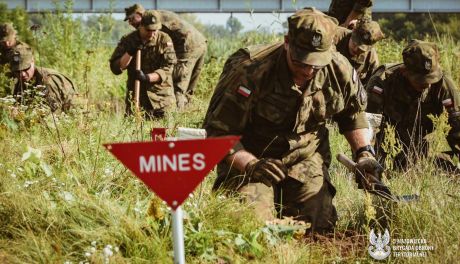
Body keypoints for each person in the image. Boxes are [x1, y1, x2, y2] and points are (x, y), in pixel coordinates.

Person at [203, 7, 382, 233]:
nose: (308, 71)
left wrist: (364, 153)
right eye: (301, 62)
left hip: (305, 157)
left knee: (316, 224)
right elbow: (219, 133)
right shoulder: (250, 69)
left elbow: (352, 116)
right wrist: (250, 164)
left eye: (316, 64)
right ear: (287, 42)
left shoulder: (340, 69)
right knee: (250, 227)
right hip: (252, 157)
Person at [366, 39, 460, 171]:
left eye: (431, 78)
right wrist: (366, 160)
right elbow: (367, 128)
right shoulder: (382, 81)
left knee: (443, 169)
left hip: (422, 148)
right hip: (386, 146)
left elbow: (457, 128)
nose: (427, 84)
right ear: (405, 71)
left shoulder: (443, 86)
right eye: (421, 80)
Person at [124, 4, 208, 109]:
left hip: (187, 46)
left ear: (140, 14)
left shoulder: (152, 20)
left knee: (175, 85)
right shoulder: (156, 15)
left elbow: (158, 46)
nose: (130, 23)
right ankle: (186, 116)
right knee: (188, 90)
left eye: (132, 19)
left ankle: (175, 121)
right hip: (200, 43)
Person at [110, 10, 177, 118]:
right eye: (148, 30)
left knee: (163, 134)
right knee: (133, 133)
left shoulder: (164, 39)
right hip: (136, 101)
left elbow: (168, 67)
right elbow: (116, 68)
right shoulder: (128, 40)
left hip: (161, 100)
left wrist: (147, 77)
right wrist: (129, 53)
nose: (151, 33)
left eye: (154, 30)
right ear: (141, 26)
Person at [9, 45, 76, 112]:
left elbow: (54, 113)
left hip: (71, 114)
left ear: (33, 61)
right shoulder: (22, 81)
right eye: (17, 71)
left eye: (26, 69)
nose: (22, 74)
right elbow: (18, 104)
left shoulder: (47, 80)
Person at [333, 18, 384, 86]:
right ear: (352, 32)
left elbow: (371, 85)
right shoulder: (334, 37)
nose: (356, 49)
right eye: (354, 44)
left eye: (361, 49)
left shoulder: (371, 59)